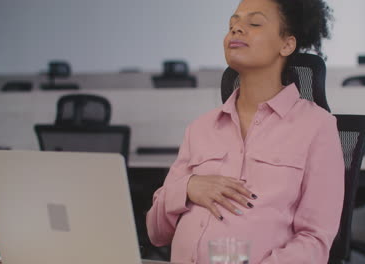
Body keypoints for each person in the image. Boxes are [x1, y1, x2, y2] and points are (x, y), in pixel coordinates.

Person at [146, 0, 344, 263]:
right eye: (232, 24)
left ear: (286, 44)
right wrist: (188, 188)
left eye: (254, 23)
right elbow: (155, 232)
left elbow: (315, 241)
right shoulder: (200, 128)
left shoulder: (317, 126)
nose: (237, 29)